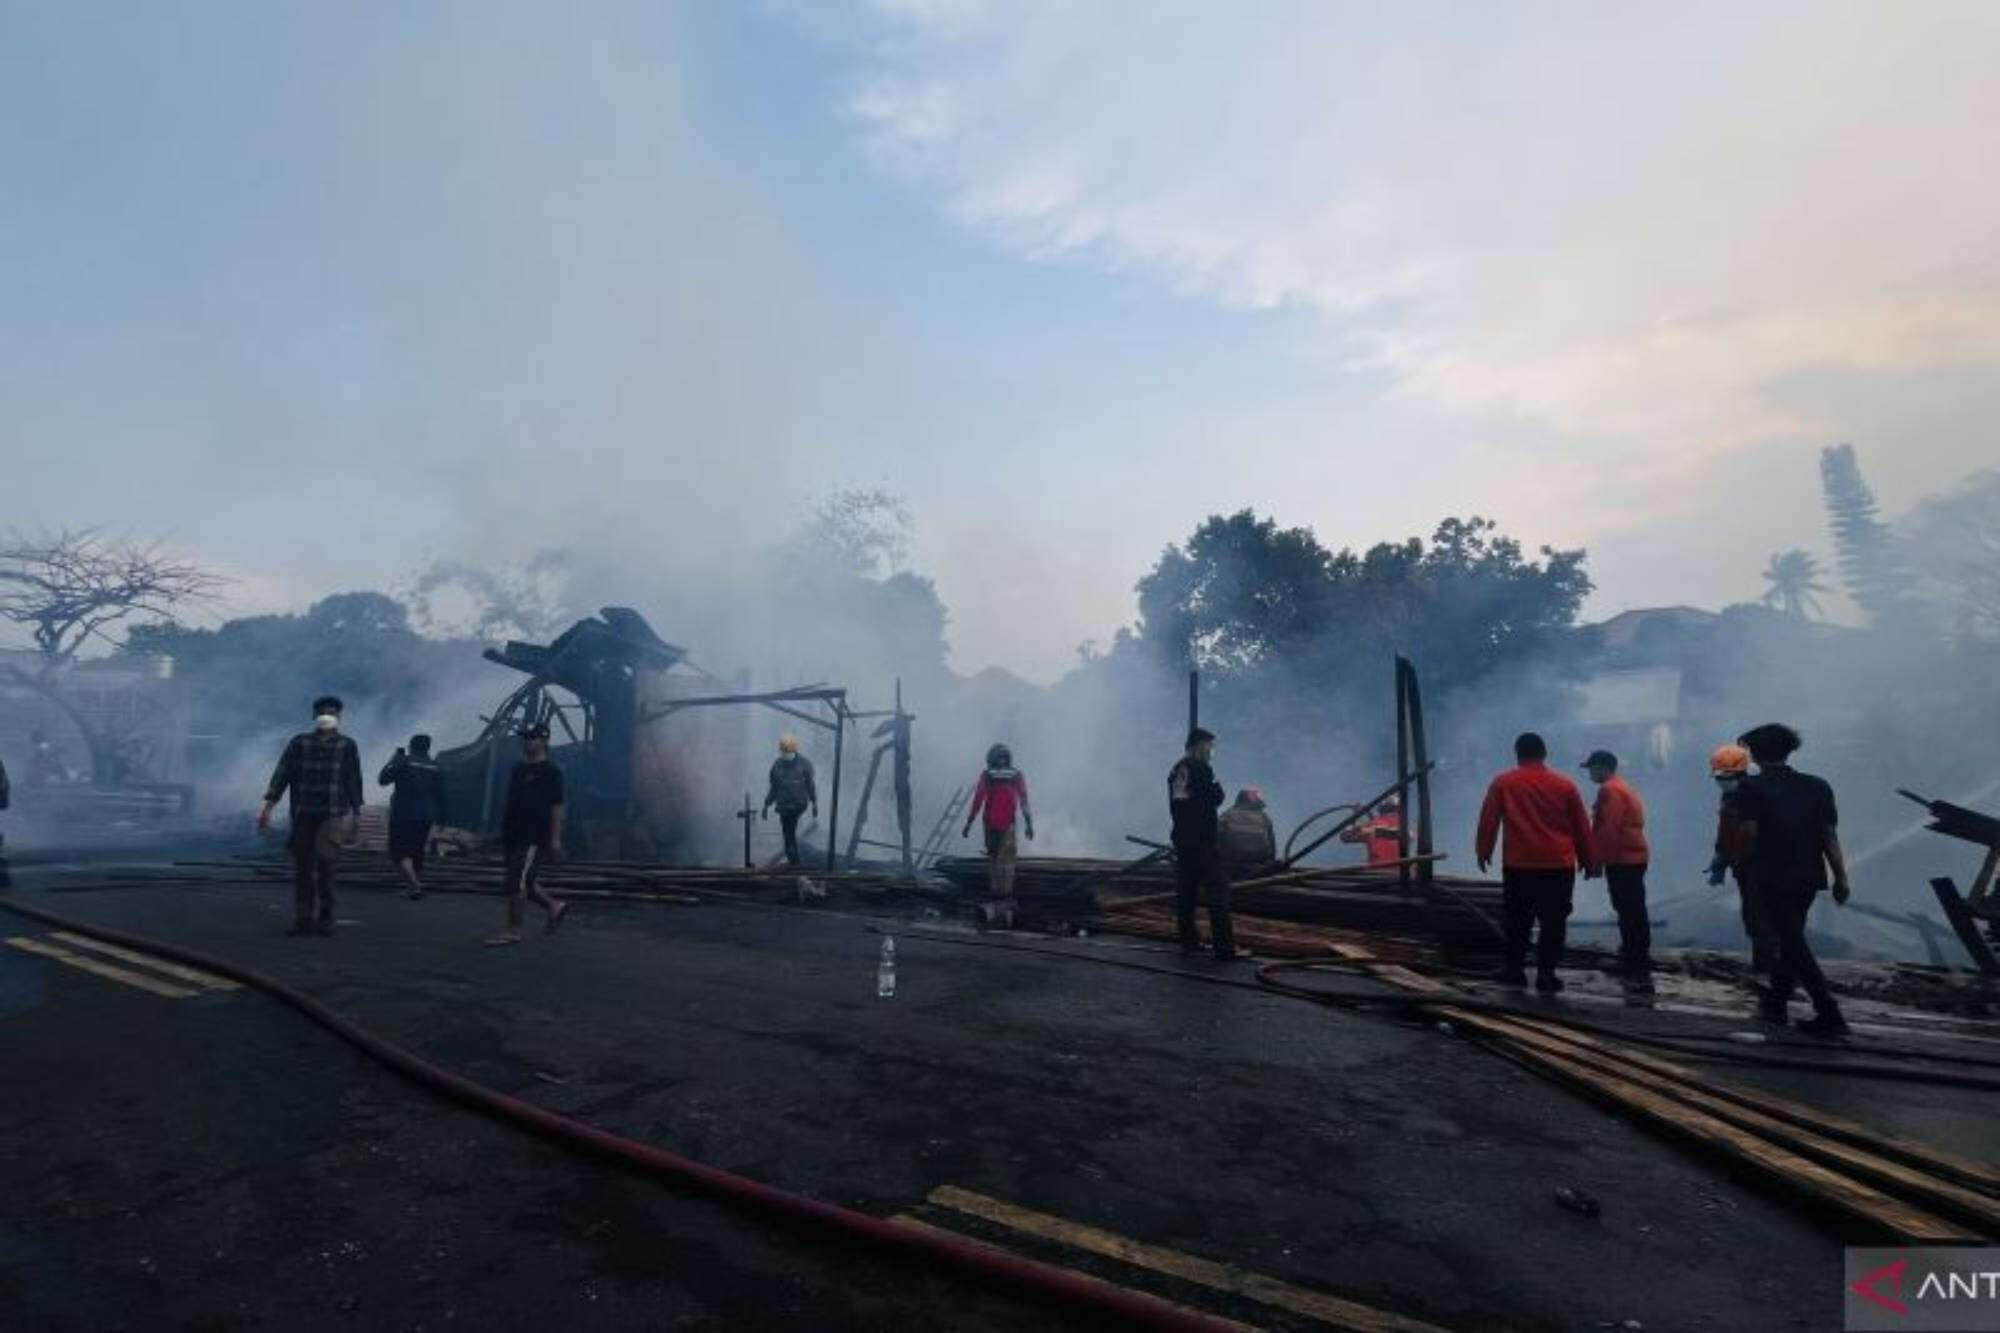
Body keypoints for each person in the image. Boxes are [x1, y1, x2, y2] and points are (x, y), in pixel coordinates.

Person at [1729, 723, 1850, 1037]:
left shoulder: (1751, 789)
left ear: (1754, 753)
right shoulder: (1817, 786)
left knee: (1794, 942)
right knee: (1791, 936)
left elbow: (1749, 834)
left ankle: (1828, 1011)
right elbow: (1829, 837)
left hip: (1770, 875)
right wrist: (1841, 877)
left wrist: (1740, 861)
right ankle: (1776, 1004)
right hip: (1809, 876)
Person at [1476, 732, 1598, 993]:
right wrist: (1589, 859)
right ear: (1544, 754)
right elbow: (1581, 826)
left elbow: (1489, 819)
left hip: (1519, 866)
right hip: (1558, 866)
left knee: (1517, 921)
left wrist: (1483, 850)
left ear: (1518, 754)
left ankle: (1514, 971)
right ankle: (1546, 975)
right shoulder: (1565, 786)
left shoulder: (1503, 783)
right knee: (1554, 922)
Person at [258, 696, 365, 937]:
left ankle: (326, 919)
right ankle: (303, 919)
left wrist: (357, 813)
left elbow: (353, 780)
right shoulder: (300, 743)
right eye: (323, 712)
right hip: (303, 814)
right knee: (303, 869)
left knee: (327, 867)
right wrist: (268, 808)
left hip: (331, 815)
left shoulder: (347, 745)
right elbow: (282, 775)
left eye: (332, 712)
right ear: (315, 716)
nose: (328, 715)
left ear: (339, 716)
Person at [489, 723, 568, 947]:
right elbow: (511, 803)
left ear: (544, 740)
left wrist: (555, 838)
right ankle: (554, 906)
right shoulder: (518, 769)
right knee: (525, 881)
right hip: (513, 833)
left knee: (518, 882)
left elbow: (556, 807)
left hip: (534, 834)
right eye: (524, 737)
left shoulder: (551, 771)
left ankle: (513, 930)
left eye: (532, 737)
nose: (526, 741)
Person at [1705, 743, 1776, 973]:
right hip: (1744, 866)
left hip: (1758, 866)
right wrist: (1720, 858)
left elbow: (1749, 834)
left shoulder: (1753, 794)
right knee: (1753, 916)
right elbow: (1725, 831)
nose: (1721, 780)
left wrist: (1733, 858)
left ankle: (1768, 968)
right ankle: (1765, 964)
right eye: (1718, 775)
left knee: (1760, 917)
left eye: (1726, 775)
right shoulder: (1729, 797)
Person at [1583, 749, 1651, 978]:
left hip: (1623, 858)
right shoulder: (1622, 786)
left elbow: (1609, 829)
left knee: (1627, 908)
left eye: (1591, 768)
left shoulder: (1609, 790)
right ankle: (1636, 952)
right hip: (1634, 856)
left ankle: (1633, 958)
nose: (1590, 773)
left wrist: (1598, 861)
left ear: (1602, 767)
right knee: (1633, 907)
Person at [1169, 728, 1235, 960]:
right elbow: (1216, 798)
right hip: (1204, 841)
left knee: (1186, 894)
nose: (1211, 751)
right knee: (1218, 893)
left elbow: (1179, 804)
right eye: (1209, 746)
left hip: (1183, 840)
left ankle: (1189, 942)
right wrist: (1215, 789)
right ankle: (1224, 948)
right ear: (1200, 746)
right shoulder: (1202, 769)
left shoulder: (1177, 769)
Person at [961, 743, 1034, 927]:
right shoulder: (1015, 775)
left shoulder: (988, 775)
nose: (1001, 761)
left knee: (994, 861)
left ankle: (997, 897)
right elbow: (1023, 800)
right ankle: (1004, 899)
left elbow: (978, 800)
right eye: (1000, 758)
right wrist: (1028, 823)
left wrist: (969, 823)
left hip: (993, 825)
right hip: (1004, 825)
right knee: (1006, 862)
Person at [379, 734, 449, 899]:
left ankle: (415, 885)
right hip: (426, 815)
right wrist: (443, 818)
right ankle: (413, 886)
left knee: (399, 851)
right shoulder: (436, 766)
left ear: (411, 746)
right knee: (417, 852)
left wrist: (392, 760)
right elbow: (442, 795)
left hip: (403, 813)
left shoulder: (403, 761)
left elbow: (382, 780)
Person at [761, 736, 818, 868]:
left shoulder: (804, 764)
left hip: (799, 804)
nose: (787, 753)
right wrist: (766, 805)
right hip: (784, 805)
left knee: (789, 831)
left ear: (795, 750)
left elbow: (810, 785)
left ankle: (794, 860)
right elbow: (774, 788)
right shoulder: (777, 766)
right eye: (784, 751)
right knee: (788, 832)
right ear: (781, 751)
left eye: (789, 750)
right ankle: (794, 860)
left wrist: (814, 803)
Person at [1219, 787, 1276, 878]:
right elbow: (1272, 849)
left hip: (1230, 869)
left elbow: (1216, 842)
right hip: (1260, 868)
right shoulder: (1265, 818)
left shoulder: (1226, 816)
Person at [1341, 793, 1404, 865]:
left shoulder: (1371, 827)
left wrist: (1354, 818)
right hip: (1403, 873)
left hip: (1378, 872)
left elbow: (1345, 837)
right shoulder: (1405, 826)